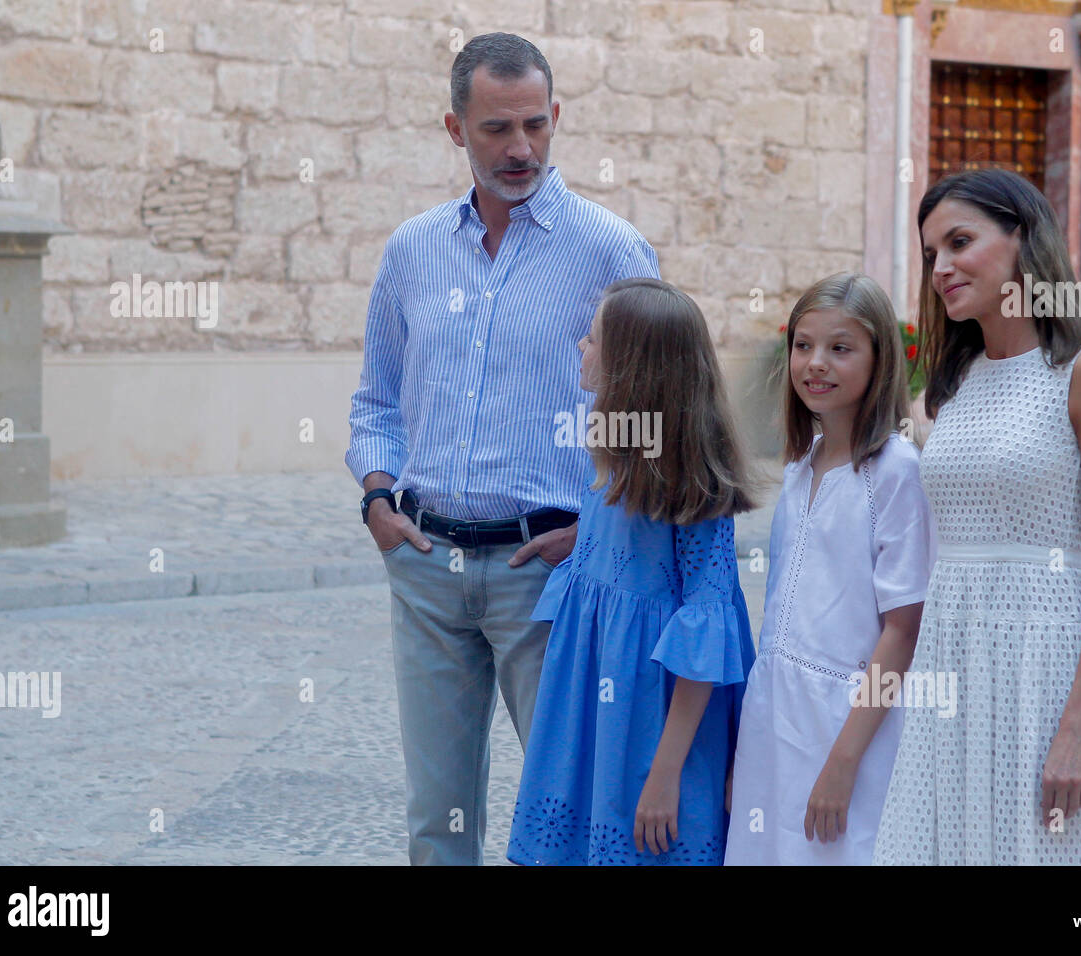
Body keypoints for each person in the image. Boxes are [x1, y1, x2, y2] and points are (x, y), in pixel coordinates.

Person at [346, 33, 659, 866]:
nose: (519, 148)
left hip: (549, 571)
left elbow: (658, 419)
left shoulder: (610, 250)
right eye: (495, 129)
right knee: (435, 818)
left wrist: (591, 531)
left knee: (570, 809)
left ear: (555, 118)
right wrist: (378, 502)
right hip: (425, 564)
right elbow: (377, 398)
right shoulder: (412, 251)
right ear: (455, 129)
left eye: (534, 124)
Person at [873, 168, 1081, 864]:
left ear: (1023, 239)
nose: (941, 267)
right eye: (930, 253)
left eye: (960, 241)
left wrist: (1079, 725)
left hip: (1047, 668)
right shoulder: (950, 385)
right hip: (954, 663)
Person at [506, 278, 757, 866]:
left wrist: (666, 775)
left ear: (631, 369)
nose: (580, 348)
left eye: (592, 340)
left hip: (657, 731)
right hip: (594, 717)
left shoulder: (693, 496)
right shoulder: (613, 460)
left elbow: (705, 644)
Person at [723, 273, 936, 865]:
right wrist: (750, 752)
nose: (816, 363)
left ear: (879, 360)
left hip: (848, 723)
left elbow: (903, 630)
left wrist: (843, 764)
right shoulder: (801, 466)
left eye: (840, 348)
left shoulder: (895, 473)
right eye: (803, 345)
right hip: (777, 714)